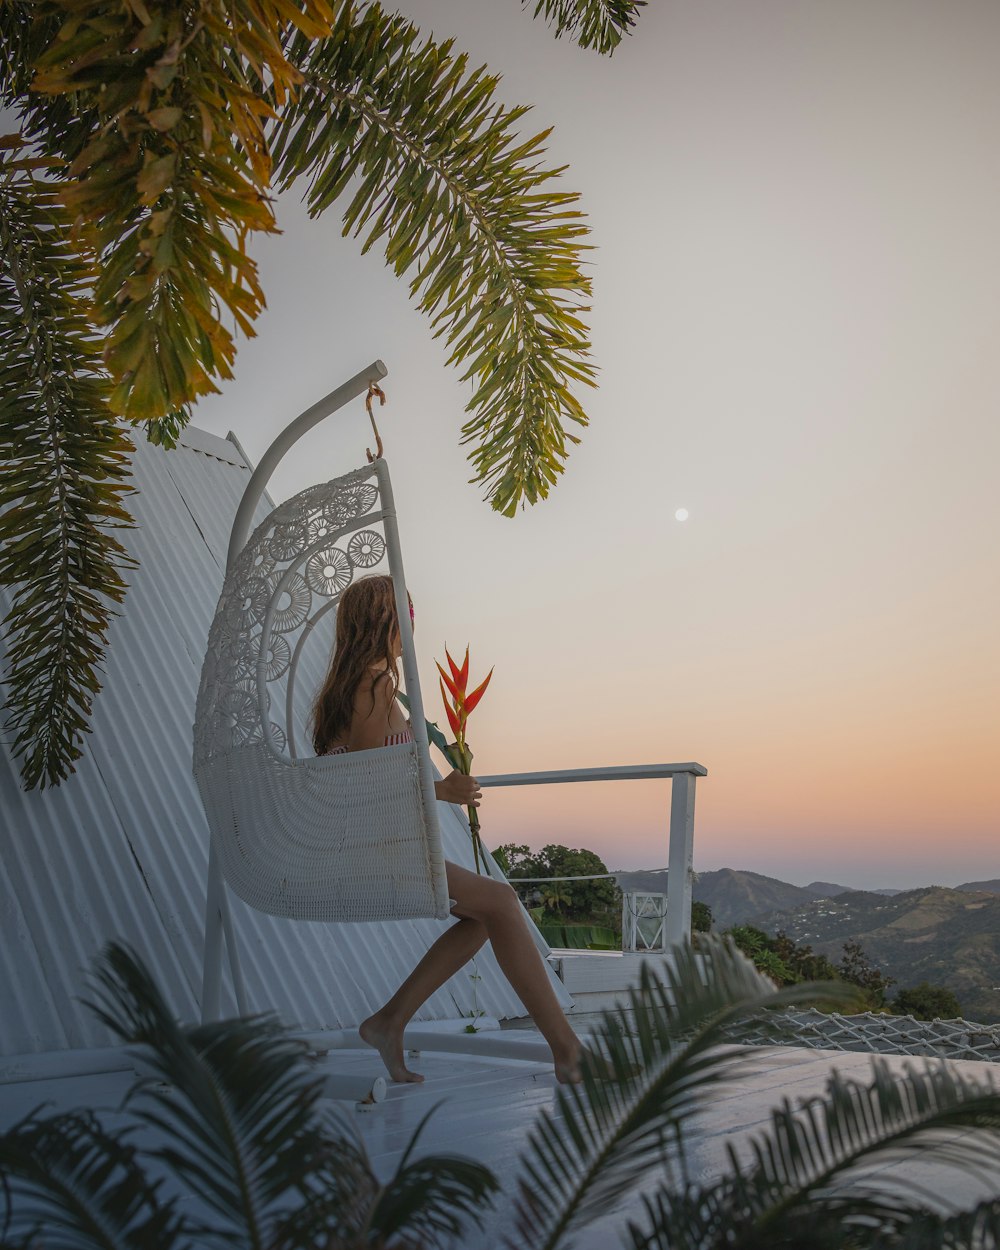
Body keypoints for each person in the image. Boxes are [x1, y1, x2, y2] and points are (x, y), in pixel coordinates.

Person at [311, 574, 587, 1084]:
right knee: (501, 903)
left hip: (369, 845)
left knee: (484, 915)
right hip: (374, 852)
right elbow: (369, 787)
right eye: (408, 615)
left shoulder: (351, 688)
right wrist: (442, 791)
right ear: (386, 622)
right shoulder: (373, 689)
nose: (412, 626)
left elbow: (363, 778)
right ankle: (568, 1052)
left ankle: (389, 1022)